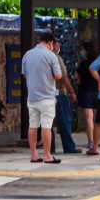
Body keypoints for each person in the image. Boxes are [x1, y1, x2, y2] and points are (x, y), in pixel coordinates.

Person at [22, 32, 63, 164]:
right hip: (47, 97)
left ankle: (34, 155)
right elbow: (58, 76)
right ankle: (47, 155)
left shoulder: (27, 54)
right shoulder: (51, 56)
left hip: (32, 97)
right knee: (46, 125)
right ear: (51, 43)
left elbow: (25, 75)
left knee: (33, 125)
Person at [52, 40, 80, 157]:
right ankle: (69, 146)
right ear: (52, 44)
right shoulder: (56, 58)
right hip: (59, 92)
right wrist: (72, 91)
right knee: (64, 120)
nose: (59, 46)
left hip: (46, 93)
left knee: (48, 123)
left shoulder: (39, 57)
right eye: (58, 44)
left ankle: (50, 147)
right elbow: (63, 77)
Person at [75, 41, 100, 155]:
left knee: (89, 117)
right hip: (98, 91)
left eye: (83, 50)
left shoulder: (85, 63)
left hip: (86, 91)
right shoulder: (99, 61)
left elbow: (76, 75)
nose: (82, 52)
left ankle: (91, 142)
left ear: (87, 51)